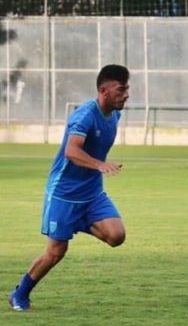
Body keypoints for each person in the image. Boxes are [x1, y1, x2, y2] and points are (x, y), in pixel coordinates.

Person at [8, 65, 131, 311]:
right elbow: (71, 151)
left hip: (92, 193)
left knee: (117, 236)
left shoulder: (115, 114)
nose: (126, 94)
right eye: (121, 89)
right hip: (64, 193)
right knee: (55, 253)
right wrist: (99, 165)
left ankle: (80, 222)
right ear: (103, 90)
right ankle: (19, 294)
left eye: (127, 88)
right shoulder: (85, 115)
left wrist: (97, 169)